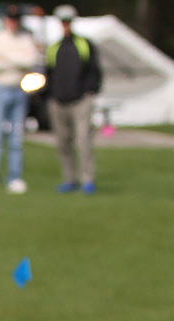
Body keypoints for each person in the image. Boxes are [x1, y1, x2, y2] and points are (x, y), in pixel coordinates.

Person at [0, 4, 41, 194]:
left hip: (19, 89)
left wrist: (8, 59)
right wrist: (17, 61)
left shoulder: (26, 38)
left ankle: (14, 176)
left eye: (16, 20)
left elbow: (31, 61)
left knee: (17, 136)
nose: (13, 23)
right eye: (10, 19)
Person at [47, 4, 101, 194]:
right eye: (63, 22)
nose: (66, 25)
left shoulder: (84, 44)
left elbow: (94, 71)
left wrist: (90, 91)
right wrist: (51, 95)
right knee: (63, 142)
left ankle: (88, 179)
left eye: (68, 21)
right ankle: (70, 179)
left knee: (83, 140)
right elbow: (49, 73)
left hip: (81, 100)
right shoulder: (54, 47)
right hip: (59, 100)